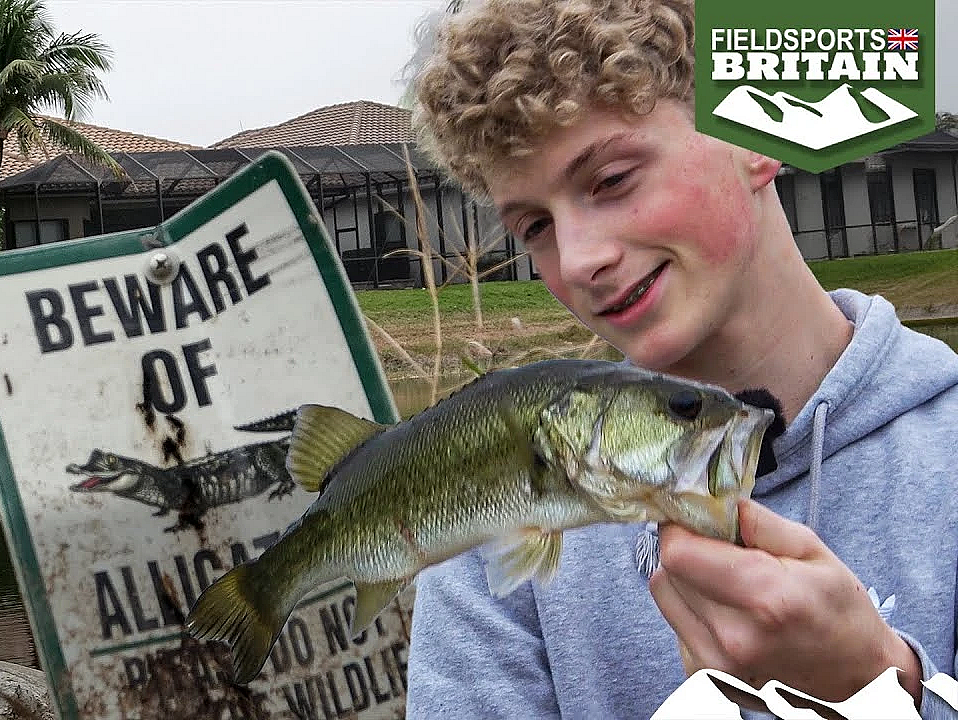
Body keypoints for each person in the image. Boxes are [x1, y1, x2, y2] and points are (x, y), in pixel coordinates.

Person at [404, 1, 958, 717]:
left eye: (612, 180)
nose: (579, 259)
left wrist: (881, 690)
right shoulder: (495, 511)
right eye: (535, 226)